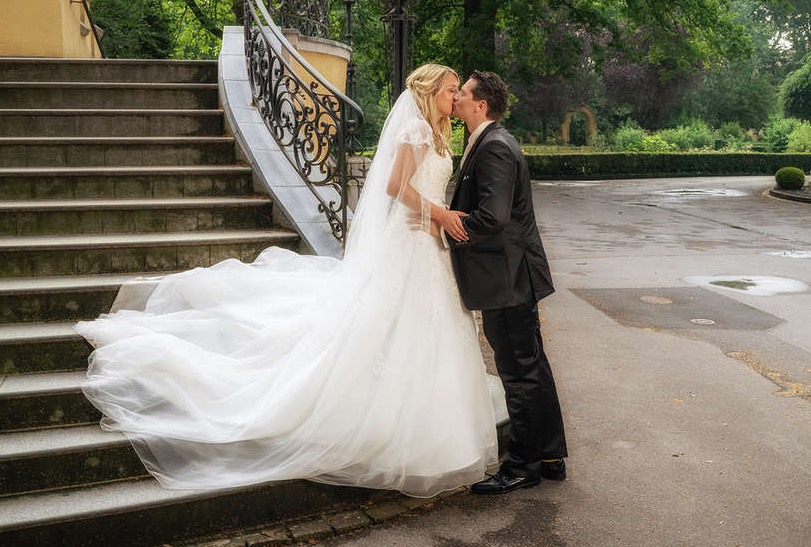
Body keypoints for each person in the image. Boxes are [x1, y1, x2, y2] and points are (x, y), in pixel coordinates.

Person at [74, 64, 503, 498]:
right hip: (410, 244)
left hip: (426, 242)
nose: (456, 97)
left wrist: (434, 217)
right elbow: (395, 186)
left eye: (458, 92)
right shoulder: (415, 130)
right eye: (451, 90)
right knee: (390, 324)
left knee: (425, 331)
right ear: (431, 92)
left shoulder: (441, 130)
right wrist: (438, 214)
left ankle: (431, 421)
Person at [444, 70, 567, 494]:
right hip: (513, 276)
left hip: (507, 278)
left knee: (518, 372)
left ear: (480, 105)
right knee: (532, 366)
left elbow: (492, 218)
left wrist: (448, 226)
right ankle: (548, 455)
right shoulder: (492, 141)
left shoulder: (494, 147)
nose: (457, 98)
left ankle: (521, 465)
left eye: (463, 93)